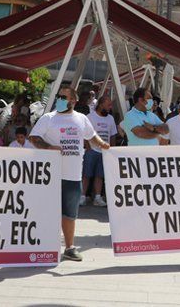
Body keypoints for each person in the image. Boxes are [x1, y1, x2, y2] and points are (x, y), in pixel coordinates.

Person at [29, 86, 110, 262]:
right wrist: (49, 148)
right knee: (47, 211)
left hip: (73, 175)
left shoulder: (81, 118)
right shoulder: (48, 118)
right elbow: (34, 138)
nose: (59, 99)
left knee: (70, 214)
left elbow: (92, 136)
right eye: (58, 96)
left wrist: (103, 145)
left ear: (73, 100)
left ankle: (69, 247)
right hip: (50, 176)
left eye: (63, 97)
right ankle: (44, 246)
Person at [81, 95, 117, 207]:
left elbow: (112, 135)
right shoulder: (90, 117)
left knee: (100, 175)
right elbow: (84, 133)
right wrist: (88, 147)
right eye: (108, 105)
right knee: (86, 174)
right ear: (101, 104)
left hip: (105, 152)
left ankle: (97, 197)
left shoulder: (110, 118)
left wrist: (112, 149)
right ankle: (82, 196)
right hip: (91, 150)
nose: (110, 107)